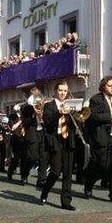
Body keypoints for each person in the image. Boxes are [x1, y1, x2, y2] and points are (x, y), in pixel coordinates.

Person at [83, 76, 112, 204]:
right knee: (102, 166)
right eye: (110, 86)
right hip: (102, 137)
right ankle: (89, 183)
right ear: (103, 87)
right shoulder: (96, 99)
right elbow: (93, 117)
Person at [39, 80, 76, 211]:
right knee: (55, 171)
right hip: (56, 140)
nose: (63, 93)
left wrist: (74, 114)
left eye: (65, 91)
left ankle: (66, 201)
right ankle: (45, 191)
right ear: (56, 91)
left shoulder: (71, 105)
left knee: (67, 172)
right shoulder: (49, 105)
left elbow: (77, 124)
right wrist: (60, 112)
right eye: (60, 90)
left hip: (68, 140)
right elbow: (48, 121)